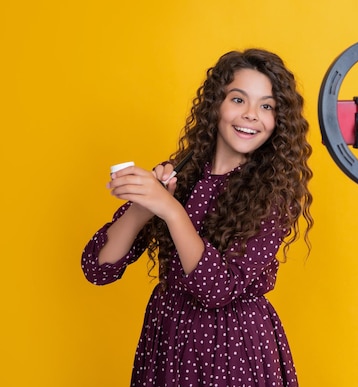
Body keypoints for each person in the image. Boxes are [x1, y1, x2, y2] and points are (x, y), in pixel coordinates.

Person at [81, 48, 313, 387]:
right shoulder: (182, 174)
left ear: (279, 121)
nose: (251, 115)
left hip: (234, 349)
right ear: (216, 105)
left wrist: (171, 211)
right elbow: (97, 268)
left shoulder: (273, 194)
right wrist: (143, 208)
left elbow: (218, 288)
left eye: (267, 106)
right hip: (169, 341)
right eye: (238, 100)